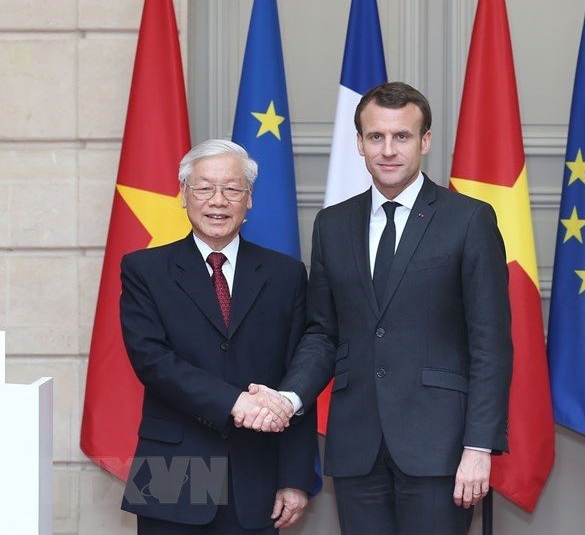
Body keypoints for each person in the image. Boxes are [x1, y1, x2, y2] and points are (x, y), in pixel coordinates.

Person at [242, 82, 513, 534]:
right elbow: (323, 334)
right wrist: (289, 399)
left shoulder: (469, 219)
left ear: (425, 141)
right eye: (376, 137)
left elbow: (490, 343)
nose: (388, 150)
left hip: (441, 450)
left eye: (402, 137)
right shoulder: (332, 224)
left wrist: (479, 446)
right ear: (359, 143)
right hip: (357, 448)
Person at [119, 139, 318, 534]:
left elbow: (299, 371)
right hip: (173, 466)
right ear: (183, 195)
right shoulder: (145, 269)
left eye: (232, 189)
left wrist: (295, 477)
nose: (218, 200)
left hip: (257, 469)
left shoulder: (286, 274)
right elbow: (151, 360)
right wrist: (234, 402)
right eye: (204, 187)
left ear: (249, 200)